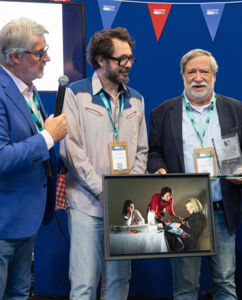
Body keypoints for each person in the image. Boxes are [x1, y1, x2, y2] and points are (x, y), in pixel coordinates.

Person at [148, 49, 242, 300]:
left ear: (214, 75)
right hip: (184, 211)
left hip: (221, 207)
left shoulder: (233, 107)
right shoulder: (163, 112)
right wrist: (158, 169)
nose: (198, 77)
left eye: (204, 71)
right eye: (191, 71)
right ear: (182, 76)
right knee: (185, 286)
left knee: (225, 282)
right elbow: (154, 153)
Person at [60, 27, 148, 300]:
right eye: (121, 59)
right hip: (87, 205)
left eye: (131, 58)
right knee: (84, 283)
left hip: (124, 206)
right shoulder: (76, 94)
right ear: (100, 60)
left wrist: (126, 191)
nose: (128, 64)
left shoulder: (137, 99)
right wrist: (101, 191)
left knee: (119, 281)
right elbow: (70, 149)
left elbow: (142, 151)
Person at [0, 17, 67, 299]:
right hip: (4, 221)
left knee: (18, 294)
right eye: (40, 53)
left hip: (27, 217)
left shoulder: (28, 88)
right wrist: (47, 136)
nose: (48, 58)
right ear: (15, 56)